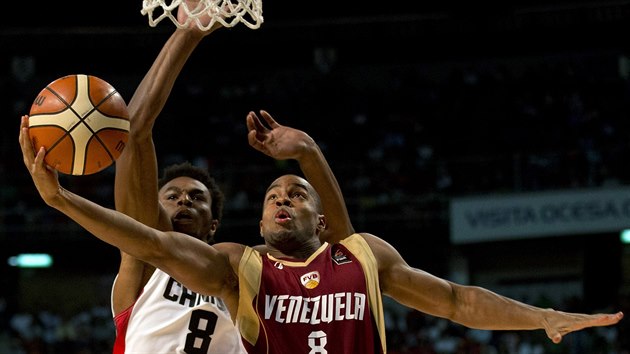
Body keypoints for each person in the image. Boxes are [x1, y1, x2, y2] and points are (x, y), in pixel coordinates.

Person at [20, 112, 623, 354]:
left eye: (296, 194)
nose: (282, 198)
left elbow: (459, 300)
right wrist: (60, 197)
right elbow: (149, 243)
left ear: (322, 220)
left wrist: (541, 315)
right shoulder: (239, 266)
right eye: (272, 196)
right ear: (257, 223)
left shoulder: (364, 257)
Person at [109, 2, 353, 353]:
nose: (183, 201)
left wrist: (308, 152)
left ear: (213, 225)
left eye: (196, 198)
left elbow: (334, 247)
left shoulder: (245, 270)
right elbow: (133, 133)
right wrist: (187, 33)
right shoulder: (142, 262)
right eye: (172, 196)